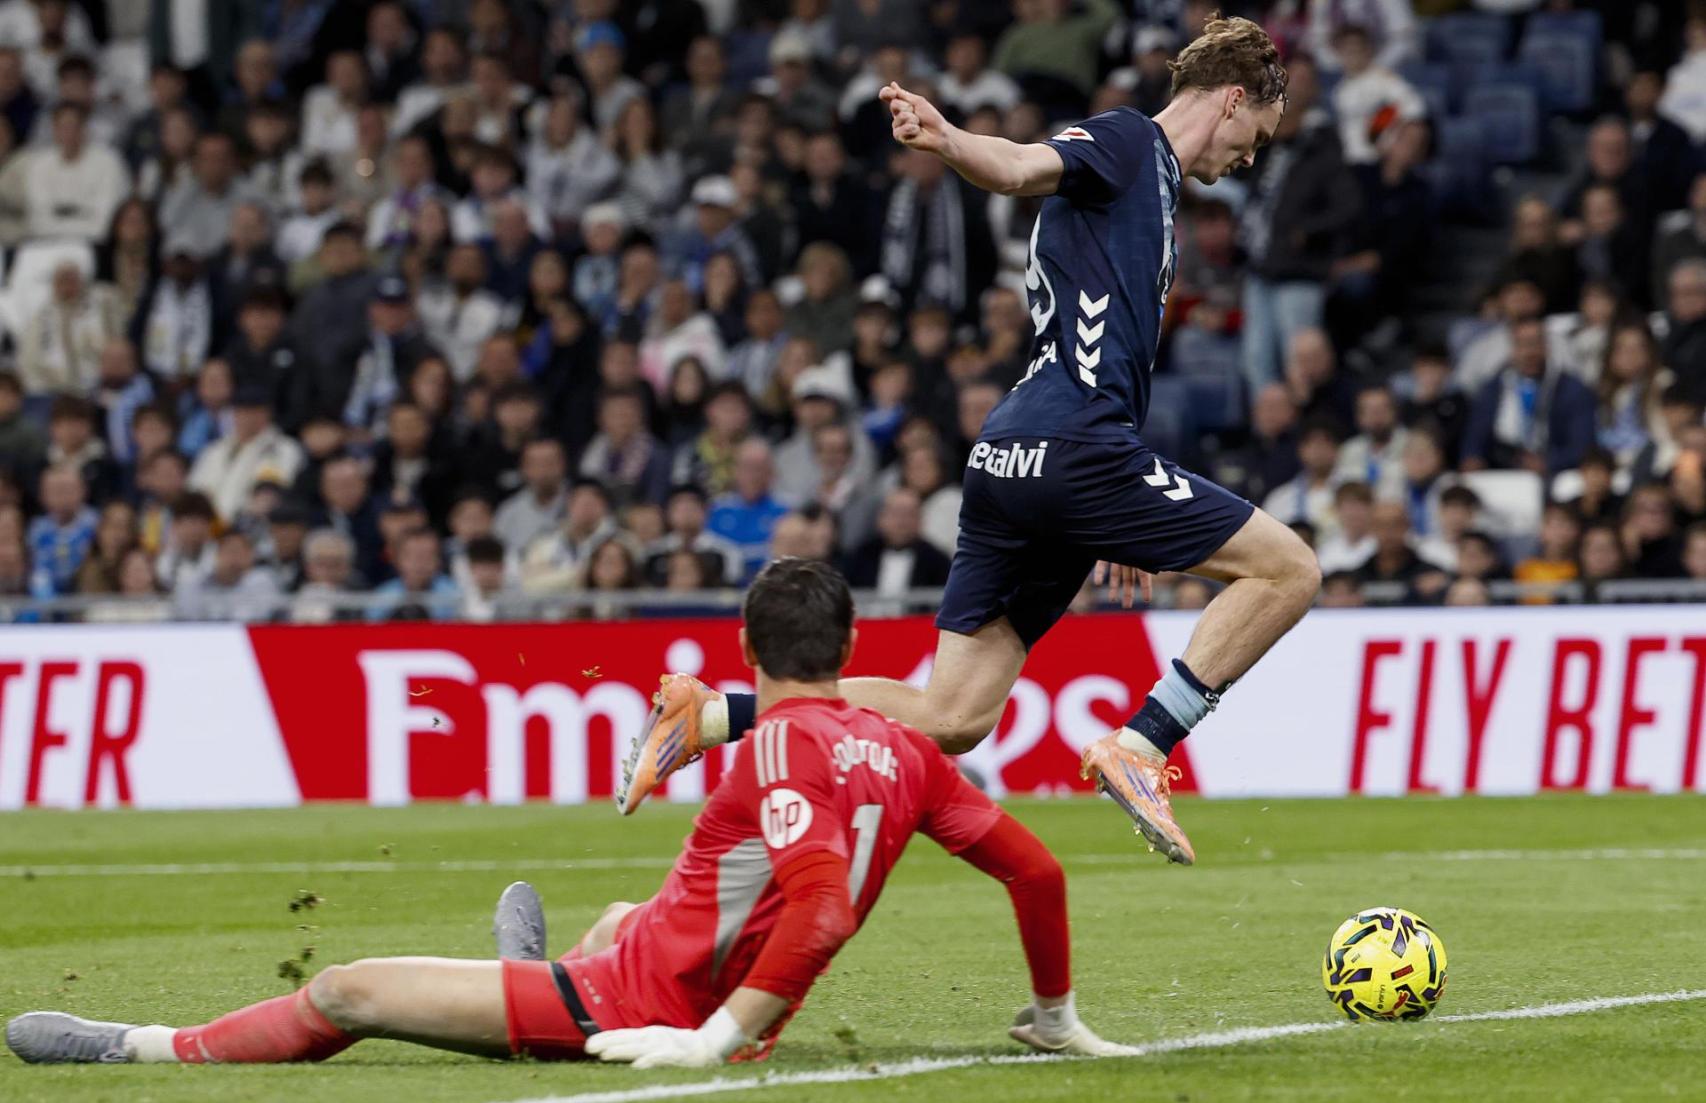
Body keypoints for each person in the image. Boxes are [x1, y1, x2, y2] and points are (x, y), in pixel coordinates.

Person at [622, 19, 1320, 867]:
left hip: (1016, 452)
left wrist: (1117, 514)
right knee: (1289, 568)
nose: (1252, 158)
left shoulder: (1151, 183)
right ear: (1233, 98)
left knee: (953, 715)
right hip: (1073, 444)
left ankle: (709, 714)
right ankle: (1143, 743)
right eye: (1258, 137)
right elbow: (1025, 165)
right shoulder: (1129, 139)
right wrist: (948, 138)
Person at [6, 558, 1121, 1068]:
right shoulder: (906, 748)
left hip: (628, 1002)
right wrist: (1053, 1012)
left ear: (746, 653)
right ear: (847, 655)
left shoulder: (777, 738)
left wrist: (712, 1040)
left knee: (347, 987)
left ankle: (138, 1044)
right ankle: (518, 980)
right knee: (621, 907)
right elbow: (1040, 875)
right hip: (653, 963)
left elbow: (820, 903)